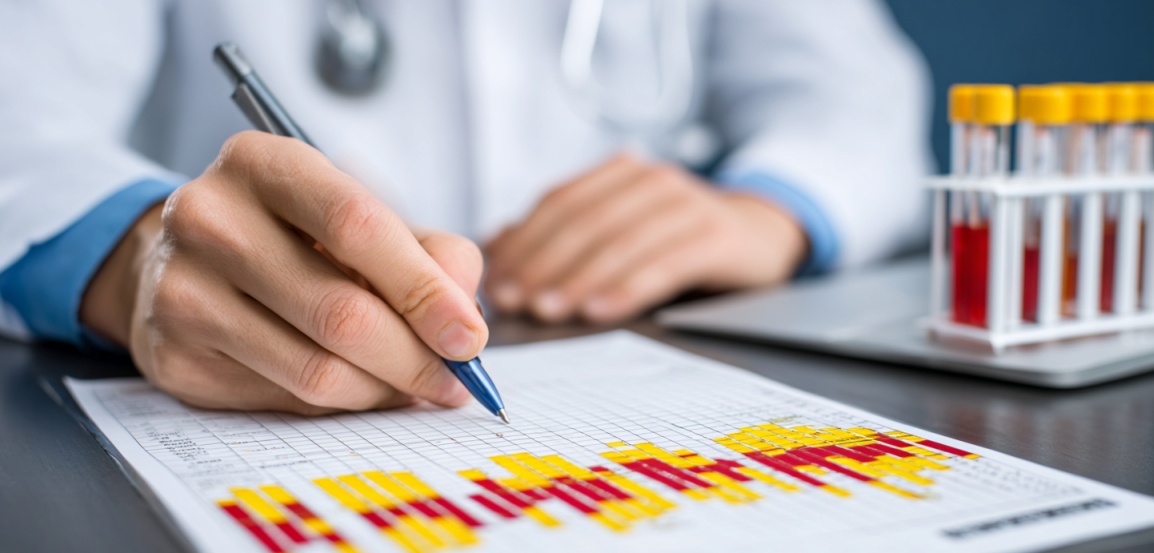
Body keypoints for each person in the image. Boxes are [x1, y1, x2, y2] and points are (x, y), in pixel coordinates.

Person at [0, 0, 931, 415]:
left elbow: (855, 94)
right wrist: (134, 257)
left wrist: (769, 207)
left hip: (633, 325)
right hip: (238, 354)